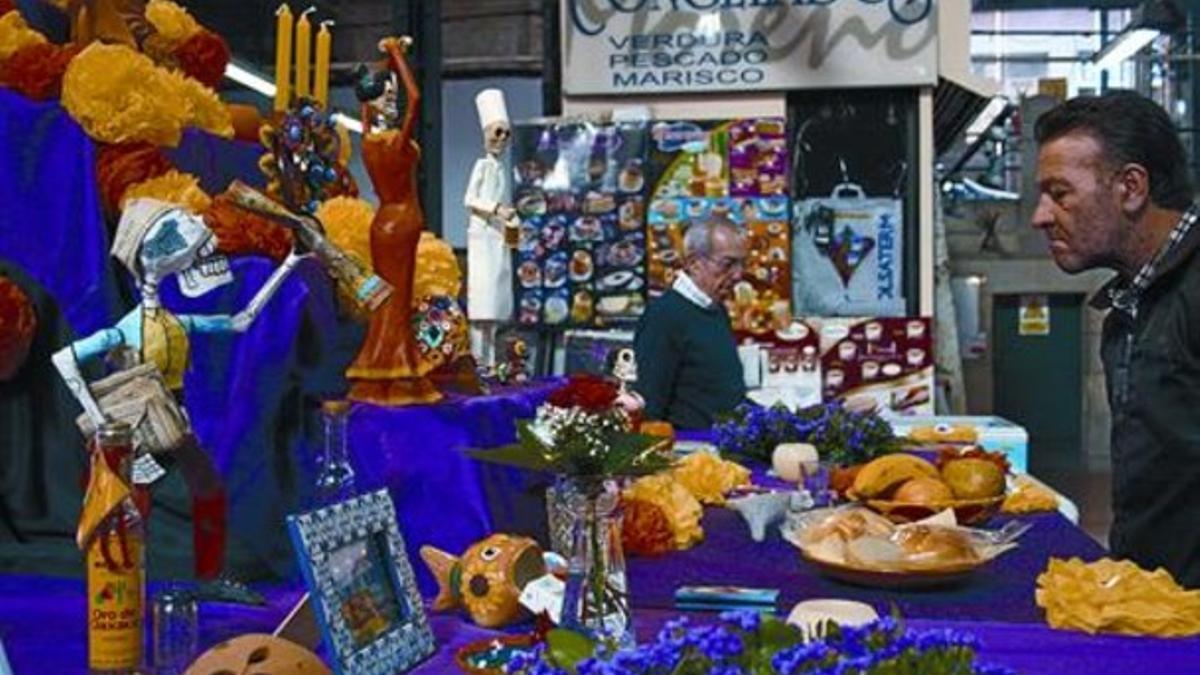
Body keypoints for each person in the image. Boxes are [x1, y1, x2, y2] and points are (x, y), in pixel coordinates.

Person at [1032, 90, 1199, 587]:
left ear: (1130, 187)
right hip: (1157, 604)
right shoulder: (1131, 302)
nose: (1040, 216)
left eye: (1060, 194)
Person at [634, 218, 748, 429]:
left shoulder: (715, 308)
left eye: (742, 264)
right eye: (728, 264)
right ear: (694, 263)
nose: (738, 275)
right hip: (689, 451)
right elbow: (649, 404)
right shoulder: (664, 316)